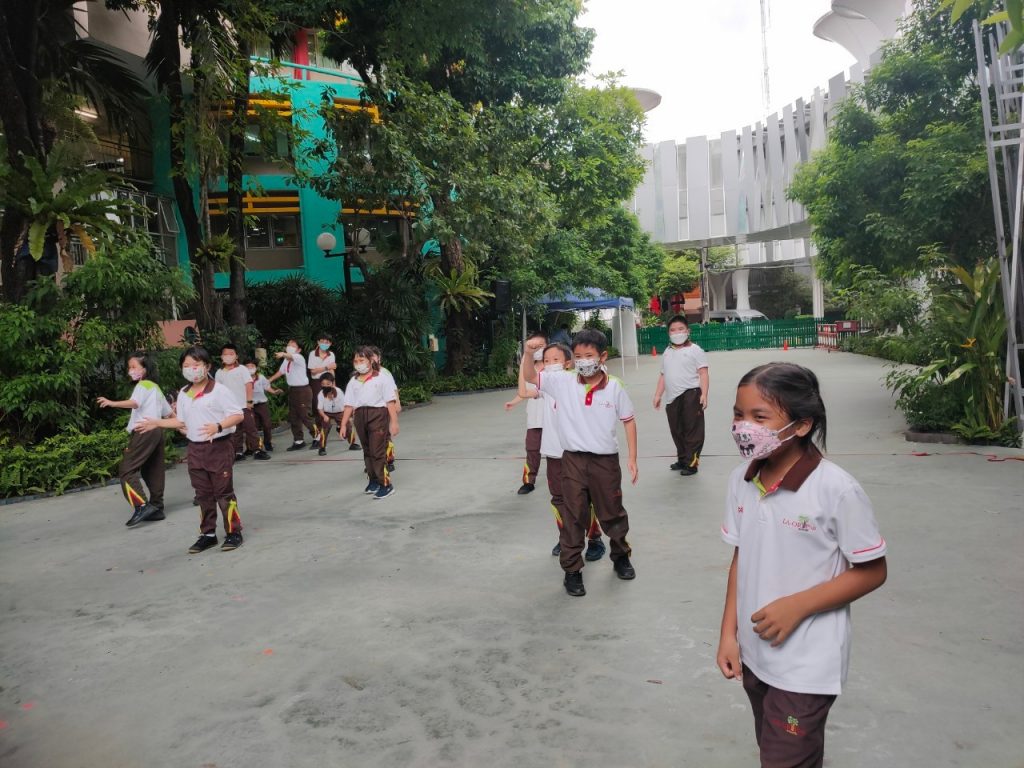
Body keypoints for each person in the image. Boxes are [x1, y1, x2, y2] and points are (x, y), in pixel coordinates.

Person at [716, 362, 887, 768]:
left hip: (806, 664)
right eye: (739, 414)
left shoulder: (836, 489)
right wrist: (728, 634)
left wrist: (798, 606)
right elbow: (741, 557)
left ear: (802, 425)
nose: (743, 427)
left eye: (760, 417)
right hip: (756, 655)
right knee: (773, 751)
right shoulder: (741, 479)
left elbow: (873, 570)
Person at [521, 328, 637, 597]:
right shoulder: (562, 381)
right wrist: (528, 353)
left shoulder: (615, 386)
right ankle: (572, 570)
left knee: (612, 512)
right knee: (573, 515)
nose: (583, 361)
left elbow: (629, 421)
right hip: (572, 459)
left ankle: (621, 556)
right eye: (578, 356)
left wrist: (632, 458)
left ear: (602, 356)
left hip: (605, 461)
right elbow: (530, 377)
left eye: (589, 355)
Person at [136, 346, 247, 553]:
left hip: (219, 447)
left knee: (223, 493)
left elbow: (238, 415)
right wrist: (156, 423)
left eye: (196, 365)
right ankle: (208, 534)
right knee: (203, 494)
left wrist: (218, 426)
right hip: (195, 449)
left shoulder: (219, 390)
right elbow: (181, 421)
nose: (192, 369)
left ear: (208, 366)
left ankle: (234, 532)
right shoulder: (184, 393)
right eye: (187, 366)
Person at [515, 336, 606, 560]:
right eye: (546, 360)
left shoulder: (577, 381)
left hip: (578, 452)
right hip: (554, 453)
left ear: (568, 362)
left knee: (584, 497)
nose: (550, 363)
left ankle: (594, 538)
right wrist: (528, 355)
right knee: (559, 498)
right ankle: (567, 537)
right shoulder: (547, 384)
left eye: (555, 359)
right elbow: (526, 385)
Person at [96, 352, 171, 527]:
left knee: (127, 469)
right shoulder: (155, 387)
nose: (131, 370)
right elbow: (169, 413)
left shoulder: (142, 385)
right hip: (157, 430)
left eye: (134, 367)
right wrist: (183, 426)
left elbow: (135, 403)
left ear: (145, 369)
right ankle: (156, 507)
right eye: (129, 367)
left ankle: (141, 505)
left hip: (144, 430)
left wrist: (112, 402)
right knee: (153, 469)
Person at [340, 346, 400, 500]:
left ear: (370, 361)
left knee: (377, 451)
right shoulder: (353, 381)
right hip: (360, 416)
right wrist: (343, 424)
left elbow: (390, 401)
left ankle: (385, 484)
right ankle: (373, 481)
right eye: (356, 361)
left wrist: (394, 422)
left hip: (377, 414)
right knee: (367, 450)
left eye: (362, 360)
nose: (358, 363)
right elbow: (348, 404)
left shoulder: (381, 378)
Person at [652, 315, 708, 476]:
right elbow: (663, 375)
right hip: (672, 398)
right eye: (673, 330)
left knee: (692, 429)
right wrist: (657, 395)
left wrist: (704, 394)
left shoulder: (695, 350)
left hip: (691, 394)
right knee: (676, 429)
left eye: (681, 329)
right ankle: (683, 459)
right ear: (669, 333)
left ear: (688, 331)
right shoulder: (667, 352)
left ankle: (692, 463)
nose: (677, 333)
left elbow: (703, 373)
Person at [216, 344, 269, 461]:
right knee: (235, 431)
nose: (228, 356)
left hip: (244, 405)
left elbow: (248, 384)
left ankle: (257, 450)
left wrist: (249, 401)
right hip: (229, 408)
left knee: (251, 428)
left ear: (236, 356)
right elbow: (218, 390)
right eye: (225, 354)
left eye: (231, 354)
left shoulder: (242, 369)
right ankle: (238, 452)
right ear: (221, 357)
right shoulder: (219, 373)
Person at [504, 341, 545, 494]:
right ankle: (528, 481)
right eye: (534, 347)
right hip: (534, 420)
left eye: (541, 346)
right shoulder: (529, 370)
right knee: (532, 450)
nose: (537, 350)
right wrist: (513, 402)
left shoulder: (553, 370)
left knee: (560, 452)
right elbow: (524, 392)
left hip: (553, 419)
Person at [267, 339, 315, 451]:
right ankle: (298, 440)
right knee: (293, 417)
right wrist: (269, 380)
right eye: (288, 345)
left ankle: (318, 436)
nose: (289, 347)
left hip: (302, 390)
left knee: (305, 415)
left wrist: (283, 354)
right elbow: (281, 372)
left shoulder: (299, 357)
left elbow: (290, 356)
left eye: (293, 345)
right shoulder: (286, 360)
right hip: (293, 390)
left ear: (299, 349)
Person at [370, 347, 399, 471]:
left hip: (383, 408)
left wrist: (397, 403)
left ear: (379, 358)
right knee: (371, 437)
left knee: (384, 436)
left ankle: (389, 459)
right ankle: (372, 463)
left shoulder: (384, 372)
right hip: (369, 410)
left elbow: (393, 389)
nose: (371, 359)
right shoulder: (362, 374)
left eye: (373, 356)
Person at [307, 333, 337, 450]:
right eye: (322, 341)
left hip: (329, 383)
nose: (324, 344)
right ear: (318, 342)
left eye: (327, 342)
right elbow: (313, 371)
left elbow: (332, 371)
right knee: (317, 407)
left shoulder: (331, 354)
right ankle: (319, 434)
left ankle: (324, 433)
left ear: (330, 344)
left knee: (328, 407)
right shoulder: (312, 354)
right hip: (317, 383)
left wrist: (334, 386)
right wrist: (326, 367)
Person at [247, 360, 281, 452]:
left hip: (261, 404)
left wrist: (274, 392)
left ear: (256, 367)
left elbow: (267, 386)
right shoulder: (243, 379)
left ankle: (267, 443)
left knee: (267, 424)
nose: (250, 368)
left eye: (252, 366)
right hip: (250, 406)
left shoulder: (260, 377)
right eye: (247, 366)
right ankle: (252, 447)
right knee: (252, 426)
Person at [315, 372, 348, 456]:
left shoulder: (339, 392)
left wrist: (346, 417)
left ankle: (352, 443)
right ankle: (322, 448)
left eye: (328, 384)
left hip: (339, 412)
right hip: (326, 413)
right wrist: (324, 416)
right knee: (325, 427)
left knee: (348, 425)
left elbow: (345, 405)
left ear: (332, 383)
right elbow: (320, 409)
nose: (325, 386)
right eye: (323, 384)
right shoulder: (320, 394)